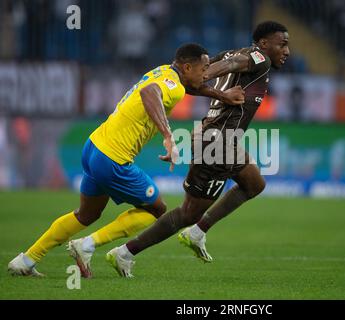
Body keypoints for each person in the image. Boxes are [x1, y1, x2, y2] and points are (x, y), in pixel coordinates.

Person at [7, 43, 245, 277]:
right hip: (112, 158)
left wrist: (221, 95)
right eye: (204, 69)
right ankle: (86, 245)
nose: (207, 75)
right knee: (156, 208)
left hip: (93, 147)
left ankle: (26, 259)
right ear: (186, 68)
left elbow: (189, 87)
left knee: (86, 214)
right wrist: (168, 136)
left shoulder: (165, 72)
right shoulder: (171, 85)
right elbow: (149, 92)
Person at [106, 21, 290, 277]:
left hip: (223, 140)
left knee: (254, 183)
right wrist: (211, 74)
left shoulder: (231, 52)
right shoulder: (259, 59)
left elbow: (191, 83)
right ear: (263, 44)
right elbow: (226, 67)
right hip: (216, 144)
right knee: (188, 212)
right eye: (282, 44)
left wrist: (217, 89)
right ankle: (125, 252)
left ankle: (198, 232)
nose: (287, 51)